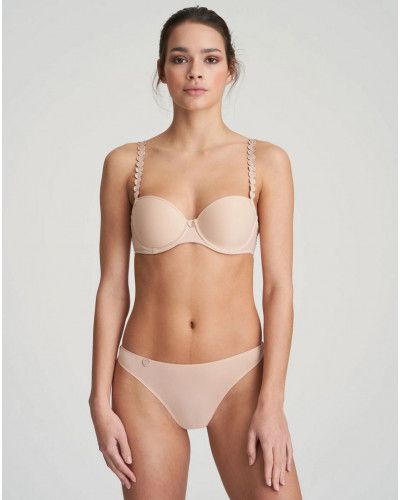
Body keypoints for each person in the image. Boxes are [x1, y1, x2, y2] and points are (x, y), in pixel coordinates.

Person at [89, 6, 302, 499]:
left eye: (210, 59)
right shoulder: (124, 163)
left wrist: (272, 401)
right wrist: (99, 400)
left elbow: (279, 288)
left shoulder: (267, 161)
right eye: (180, 58)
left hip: (240, 378)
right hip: (144, 380)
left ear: (231, 69)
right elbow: (111, 287)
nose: (195, 72)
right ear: (162, 70)